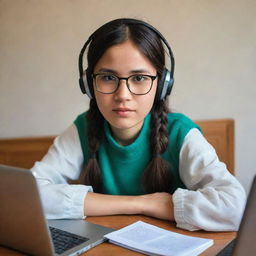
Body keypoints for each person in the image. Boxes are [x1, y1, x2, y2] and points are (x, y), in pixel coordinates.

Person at [31, 18, 246, 231]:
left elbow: (234, 207)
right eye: (107, 77)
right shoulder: (83, 128)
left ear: (161, 85)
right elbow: (30, 195)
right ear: (89, 84)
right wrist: (142, 204)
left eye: (139, 78)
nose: (122, 95)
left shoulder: (180, 132)